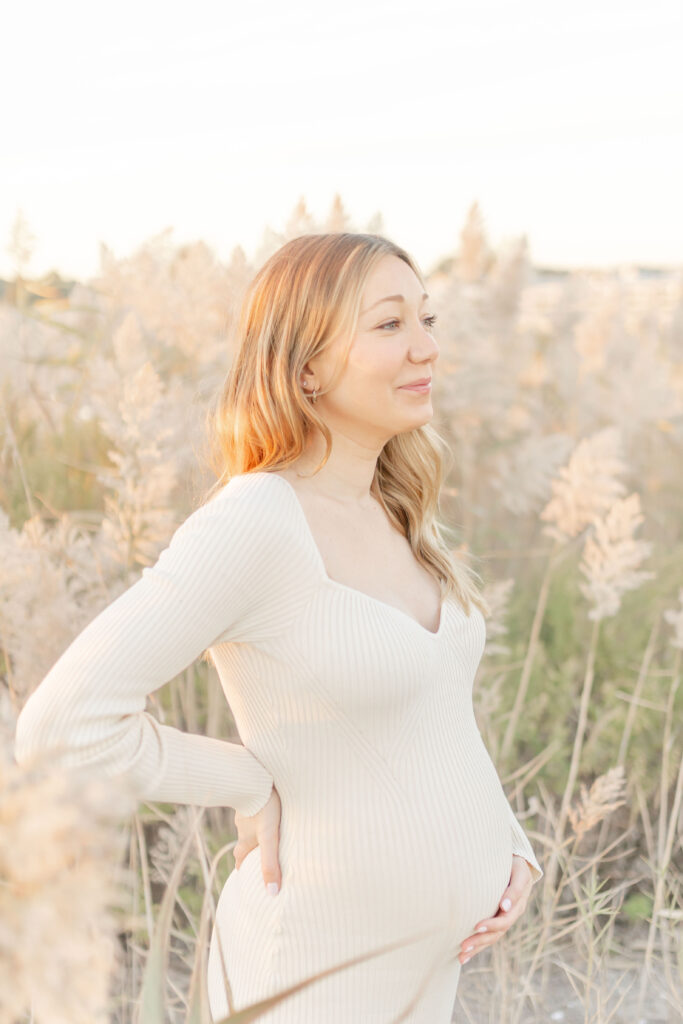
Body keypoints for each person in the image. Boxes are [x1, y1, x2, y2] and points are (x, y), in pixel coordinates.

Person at [13, 232, 543, 1023]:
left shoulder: (394, 503)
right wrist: (246, 783)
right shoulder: (255, 520)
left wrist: (511, 844)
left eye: (427, 319)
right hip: (309, 972)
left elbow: (436, 711)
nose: (426, 347)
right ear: (304, 366)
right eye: (389, 325)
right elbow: (61, 728)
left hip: (422, 974)